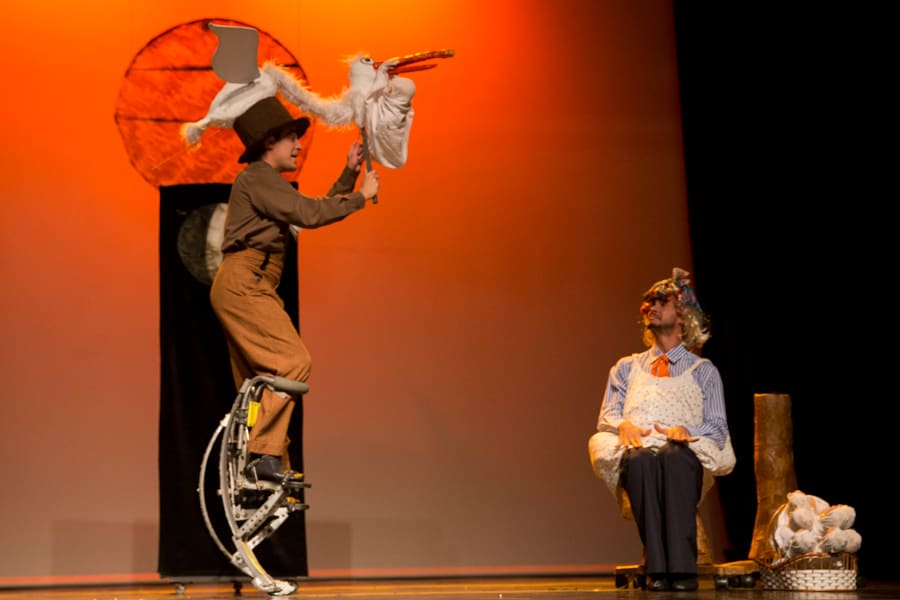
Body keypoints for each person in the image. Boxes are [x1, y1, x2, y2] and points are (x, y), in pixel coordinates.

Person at [210, 96, 379, 485]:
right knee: (292, 362)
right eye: (291, 138)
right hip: (246, 283)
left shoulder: (268, 185)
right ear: (269, 142)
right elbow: (308, 213)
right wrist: (360, 196)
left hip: (247, 284)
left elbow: (304, 214)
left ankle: (263, 472)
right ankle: (262, 456)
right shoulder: (257, 178)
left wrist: (348, 174)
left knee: (264, 383)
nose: (298, 146)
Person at [588, 267, 735, 592]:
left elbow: (716, 425)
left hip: (685, 451)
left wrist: (685, 430)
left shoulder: (703, 371)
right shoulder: (626, 368)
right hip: (639, 447)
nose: (651, 307)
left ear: (682, 315)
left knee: (673, 456)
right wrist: (625, 424)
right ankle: (657, 567)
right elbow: (608, 415)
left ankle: (682, 569)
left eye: (661, 301)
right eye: (649, 302)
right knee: (639, 461)